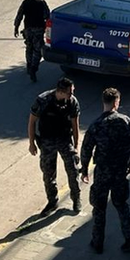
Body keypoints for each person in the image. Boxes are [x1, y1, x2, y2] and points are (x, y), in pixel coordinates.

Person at [80, 87, 130, 254]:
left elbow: (86, 148)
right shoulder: (126, 121)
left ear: (104, 102)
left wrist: (84, 169)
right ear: (117, 102)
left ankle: (98, 242)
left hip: (102, 172)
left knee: (99, 208)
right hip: (120, 171)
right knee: (121, 205)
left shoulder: (96, 125)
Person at [28, 77, 81, 215]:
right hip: (47, 141)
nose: (72, 95)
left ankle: (76, 199)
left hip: (64, 139)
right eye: (70, 92)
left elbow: (75, 124)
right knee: (48, 173)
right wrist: (32, 143)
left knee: (73, 170)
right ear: (61, 91)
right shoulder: (43, 100)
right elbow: (32, 122)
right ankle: (52, 201)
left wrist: (75, 146)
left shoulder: (72, 102)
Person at [15, 0, 50, 81]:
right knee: (37, 51)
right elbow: (47, 16)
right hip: (38, 30)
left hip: (28, 30)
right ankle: (33, 69)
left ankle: (29, 65)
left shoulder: (25, 2)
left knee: (29, 48)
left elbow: (19, 15)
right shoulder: (42, 3)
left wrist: (16, 27)